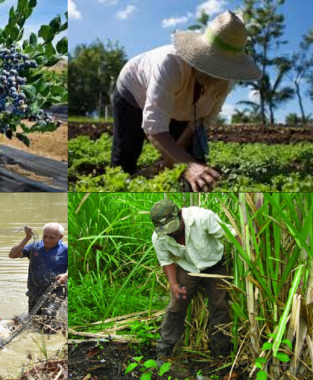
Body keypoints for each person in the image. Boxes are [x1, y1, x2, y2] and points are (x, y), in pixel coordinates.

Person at [111, 10, 262, 192]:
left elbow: (197, 123)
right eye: (212, 65)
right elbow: (154, 127)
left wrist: (175, 161)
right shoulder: (171, 64)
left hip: (178, 108)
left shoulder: (225, 82)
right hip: (133, 93)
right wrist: (188, 165)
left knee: (195, 172)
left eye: (222, 69)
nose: (215, 75)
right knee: (124, 164)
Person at [149, 199, 238, 361]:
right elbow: (166, 261)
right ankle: (165, 347)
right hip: (186, 268)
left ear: (180, 214)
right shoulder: (158, 237)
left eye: (174, 228)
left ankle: (221, 349)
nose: (173, 234)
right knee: (176, 305)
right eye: (167, 231)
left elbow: (232, 234)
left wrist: (250, 254)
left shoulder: (203, 217)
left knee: (219, 305)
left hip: (215, 266)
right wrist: (174, 284)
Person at [9, 223, 68, 331]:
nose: (47, 240)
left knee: (48, 315)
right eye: (45, 236)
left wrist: (66, 275)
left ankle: (50, 343)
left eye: (51, 237)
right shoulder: (34, 247)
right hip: (34, 291)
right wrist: (27, 238)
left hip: (55, 291)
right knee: (35, 320)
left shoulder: (66, 250)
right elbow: (12, 255)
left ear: (60, 237)